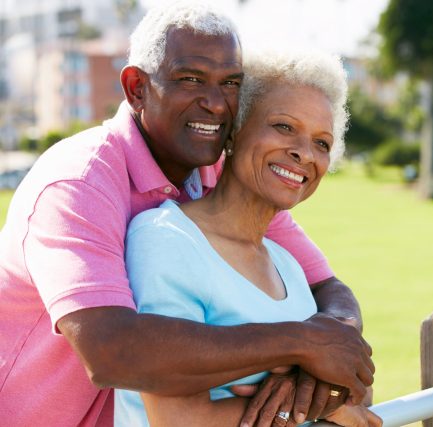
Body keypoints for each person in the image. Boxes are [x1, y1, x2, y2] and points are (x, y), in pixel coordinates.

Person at [0, 3, 373, 426]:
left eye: (230, 83)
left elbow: (328, 290)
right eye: (191, 79)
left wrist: (314, 374)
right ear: (137, 87)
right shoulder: (79, 183)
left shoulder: (218, 171)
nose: (215, 104)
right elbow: (112, 352)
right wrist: (303, 345)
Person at [115, 49, 382, 427]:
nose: (303, 153)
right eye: (284, 127)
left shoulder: (286, 265)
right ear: (234, 131)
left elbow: (357, 382)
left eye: (321, 143)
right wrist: (323, 407)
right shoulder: (165, 240)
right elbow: (177, 419)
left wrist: (305, 383)